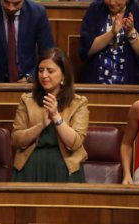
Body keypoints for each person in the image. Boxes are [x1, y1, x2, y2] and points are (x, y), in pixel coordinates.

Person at [11, 47, 89, 183]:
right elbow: (16, 139)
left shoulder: (78, 103)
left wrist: (56, 117)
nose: (44, 75)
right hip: (31, 166)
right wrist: (41, 125)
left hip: (65, 168)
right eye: (41, 71)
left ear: (63, 75)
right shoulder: (27, 100)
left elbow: (75, 143)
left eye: (50, 71)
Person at [0, 0, 54, 83]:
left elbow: (47, 54)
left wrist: (30, 77)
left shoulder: (37, 13)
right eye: (6, 2)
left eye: (16, 3)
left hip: (28, 80)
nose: (11, 8)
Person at [79, 0, 139, 84]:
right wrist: (112, 33)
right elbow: (85, 50)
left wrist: (131, 32)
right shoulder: (95, 9)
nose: (112, 3)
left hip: (131, 84)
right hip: (97, 82)